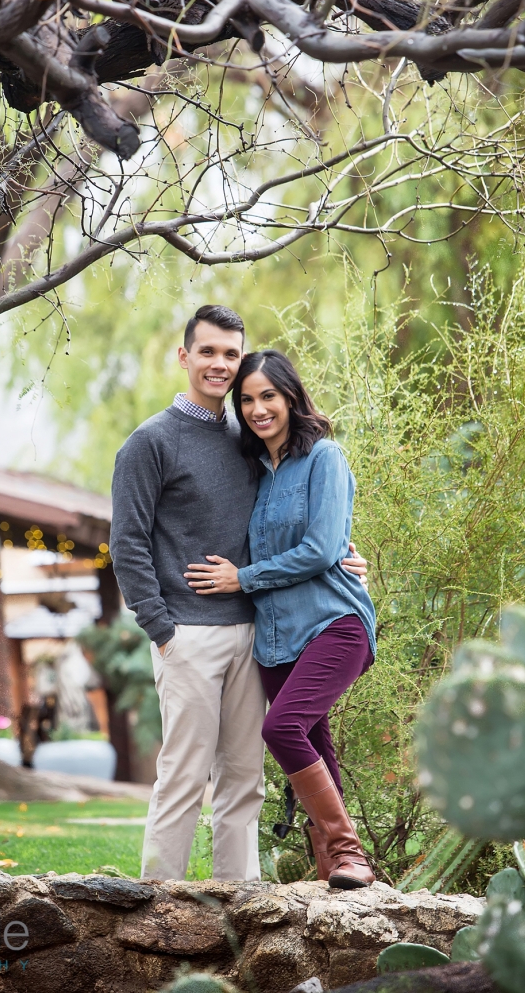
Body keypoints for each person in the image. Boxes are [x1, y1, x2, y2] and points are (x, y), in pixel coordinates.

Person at [110, 307, 367, 882]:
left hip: (255, 632)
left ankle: (240, 901)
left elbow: (292, 518)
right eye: (208, 352)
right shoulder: (149, 443)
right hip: (187, 634)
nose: (220, 365)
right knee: (183, 774)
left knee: (244, 777)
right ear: (185, 356)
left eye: (231, 353)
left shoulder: (249, 440)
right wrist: (161, 629)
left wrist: (344, 555)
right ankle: (158, 901)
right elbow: (126, 545)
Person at [184, 349, 377, 888]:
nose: (257, 408)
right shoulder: (254, 475)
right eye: (246, 399)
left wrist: (241, 578)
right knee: (315, 740)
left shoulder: (325, 458)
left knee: (283, 727)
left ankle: (347, 850)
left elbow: (320, 550)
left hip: (334, 624)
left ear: (291, 396)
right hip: (275, 641)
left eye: (268, 395)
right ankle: (340, 871)